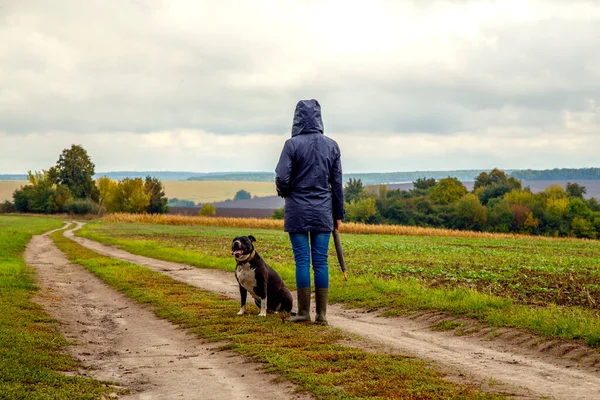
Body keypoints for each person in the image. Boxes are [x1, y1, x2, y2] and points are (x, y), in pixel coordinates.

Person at [275, 99, 344, 324]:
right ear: (319, 118)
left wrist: (285, 192)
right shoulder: (332, 145)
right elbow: (337, 183)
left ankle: (304, 313)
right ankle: (321, 315)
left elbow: (282, 178)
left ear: (297, 118)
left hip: (297, 209)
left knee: (302, 260)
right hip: (324, 211)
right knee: (321, 262)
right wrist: (338, 214)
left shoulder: (291, 145)